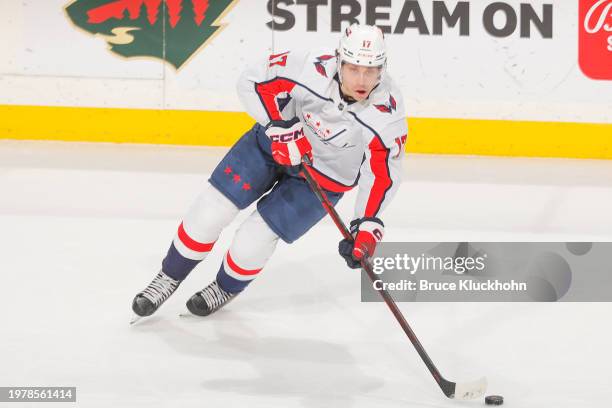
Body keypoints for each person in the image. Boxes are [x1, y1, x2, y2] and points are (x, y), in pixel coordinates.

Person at [131, 23, 407, 319]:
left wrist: (365, 225)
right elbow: (251, 81)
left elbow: (383, 174)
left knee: (252, 241)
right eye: (353, 68)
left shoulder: (387, 114)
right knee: (210, 212)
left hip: (323, 178)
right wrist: (278, 127)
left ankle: (225, 288)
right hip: (269, 144)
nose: (362, 79)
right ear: (339, 60)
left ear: (383, 68)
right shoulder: (310, 66)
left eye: (371, 70)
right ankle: (169, 276)